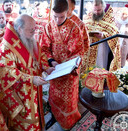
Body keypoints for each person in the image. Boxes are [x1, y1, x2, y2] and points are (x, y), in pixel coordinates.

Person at [0, 14, 54, 130]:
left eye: (34, 28)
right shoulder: (6, 47)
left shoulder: (28, 38)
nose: (34, 32)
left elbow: (40, 54)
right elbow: (8, 71)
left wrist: (47, 67)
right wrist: (31, 79)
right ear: (19, 29)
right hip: (20, 93)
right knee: (25, 123)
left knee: (36, 114)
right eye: (30, 29)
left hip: (35, 90)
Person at [41, 0, 84, 130]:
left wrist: (68, 67)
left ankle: (69, 122)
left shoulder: (74, 28)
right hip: (55, 70)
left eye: (61, 17)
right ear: (51, 13)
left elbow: (77, 52)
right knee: (54, 97)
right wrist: (51, 61)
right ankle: (55, 116)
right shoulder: (48, 27)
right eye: (55, 16)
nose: (58, 20)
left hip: (69, 72)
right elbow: (43, 48)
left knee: (68, 101)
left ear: (67, 12)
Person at [83, 0, 121, 71]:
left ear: (103, 8)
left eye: (99, 10)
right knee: (87, 69)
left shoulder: (109, 18)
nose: (97, 12)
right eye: (95, 10)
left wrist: (104, 35)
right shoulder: (88, 17)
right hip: (88, 47)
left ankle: (100, 81)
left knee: (100, 66)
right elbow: (83, 28)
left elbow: (114, 32)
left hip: (101, 47)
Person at [67, 0, 90, 74]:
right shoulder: (55, 20)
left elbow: (85, 44)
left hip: (71, 63)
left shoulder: (79, 24)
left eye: (67, 7)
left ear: (73, 8)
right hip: (56, 62)